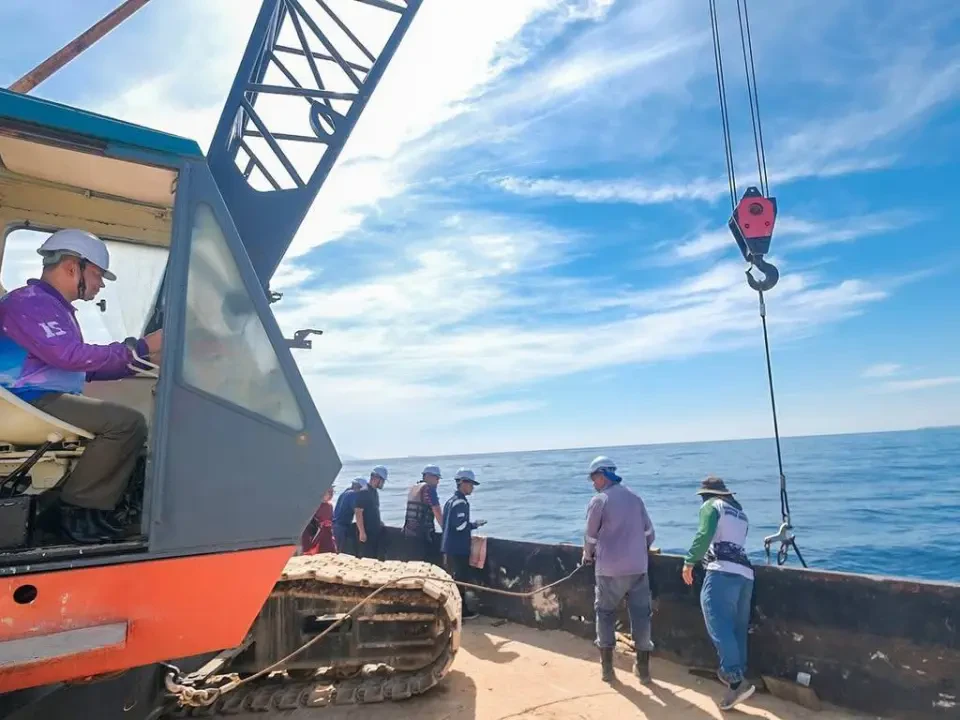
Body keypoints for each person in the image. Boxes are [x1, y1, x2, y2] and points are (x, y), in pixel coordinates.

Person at [0, 229, 162, 544]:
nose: (100, 284)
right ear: (73, 267)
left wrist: (136, 360)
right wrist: (141, 346)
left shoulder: (51, 308)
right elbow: (70, 356)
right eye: (98, 274)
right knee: (127, 424)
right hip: (27, 398)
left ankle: (79, 508)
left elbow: (76, 366)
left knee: (126, 421)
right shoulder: (29, 303)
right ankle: (76, 516)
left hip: (37, 396)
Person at [682, 476, 756, 710]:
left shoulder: (711, 506)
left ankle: (734, 677)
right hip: (746, 575)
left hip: (721, 572)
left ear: (708, 494)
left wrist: (689, 562)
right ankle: (738, 682)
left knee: (718, 623)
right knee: (737, 628)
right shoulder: (741, 514)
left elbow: (704, 535)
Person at [581, 455, 656, 684]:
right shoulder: (635, 498)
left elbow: (590, 537)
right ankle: (643, 671)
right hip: (638, 569)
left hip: (609, 571)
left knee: (605, 614)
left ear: (602, 476)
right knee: (641, 616)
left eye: (594, 478)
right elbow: (650, 534)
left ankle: (607, 671)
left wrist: (587, 556)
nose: (593, 483)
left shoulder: (599, 500)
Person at [441, 468, 487, 619]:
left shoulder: (450, 501)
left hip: (448, 546)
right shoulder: (461, 503)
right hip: (458, 548)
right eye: (471, 484)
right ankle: (462, 612)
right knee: (459, 580)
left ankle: (452, 611)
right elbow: (460, 526)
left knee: (452, 579)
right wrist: (474, 525)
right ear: (463, 483)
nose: (472, 488)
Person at [401, 464, 443, 563]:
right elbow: (436, 510)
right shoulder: (429, 489)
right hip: (422, 534)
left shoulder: (414, 487)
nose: (438, 481)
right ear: (428, 476)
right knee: (424, 562)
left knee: (412, 562)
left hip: (408, 532)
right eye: (436, 478)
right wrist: (444, 528)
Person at [354, 465, 387, 559]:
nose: (383, 483)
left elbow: (373, 509)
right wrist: (362, 532)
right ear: (376, 478)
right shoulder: (364, 492)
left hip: (374, 531)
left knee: (374, 556)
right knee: (366, 557)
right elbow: (358, 512)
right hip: (367, 531)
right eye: (382, 481)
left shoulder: (374, 492)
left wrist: (379, 522)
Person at [332, 477, 365, 555]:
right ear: (358, 487)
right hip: (341, 527)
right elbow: (357, 511)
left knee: (336, 550)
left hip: (335, 524)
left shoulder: (344, 493)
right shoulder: (353, 494)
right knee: (338, 552)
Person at [301, 485, 337, 554]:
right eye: (329, 492)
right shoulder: (313, 506)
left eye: (332, 492)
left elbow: (330, 521)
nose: (331, 495)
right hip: (314, 534)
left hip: (326, 534)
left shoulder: (329, 506)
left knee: (329, 550)